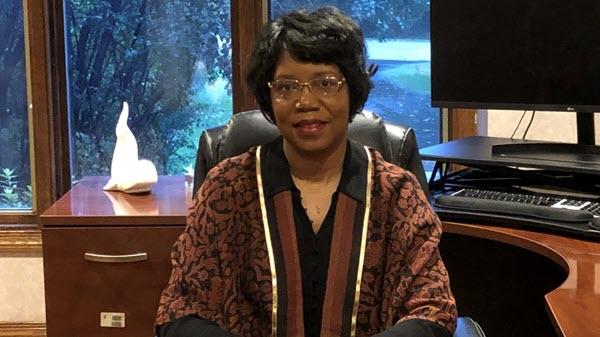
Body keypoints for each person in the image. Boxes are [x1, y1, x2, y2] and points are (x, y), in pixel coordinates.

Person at [155, 6, 457, 337]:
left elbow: (432, 309)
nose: (305, 101)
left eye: (325, 83)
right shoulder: (227, 188)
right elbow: (179, 310)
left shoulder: (396, 193)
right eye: (286, 87)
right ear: (269, 97)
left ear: (352, 90)